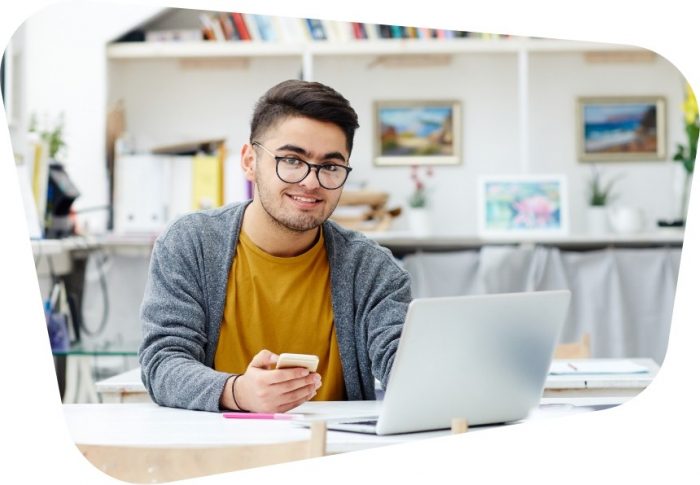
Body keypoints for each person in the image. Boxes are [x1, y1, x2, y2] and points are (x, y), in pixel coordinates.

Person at [139, 79, 412, 413]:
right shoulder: (190, 244)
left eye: (330, 166)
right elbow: (163, 362)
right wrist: (237, 392)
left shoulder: (373, 269)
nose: (311, 182)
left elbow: (402, 363)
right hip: (217, 448)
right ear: (249, 161)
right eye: (292, 161)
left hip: (334, 450)